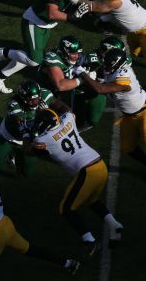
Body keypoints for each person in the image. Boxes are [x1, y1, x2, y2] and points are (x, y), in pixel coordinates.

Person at [28, 108, 123, 255]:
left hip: (87, 172)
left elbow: (30, 151)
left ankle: (89, 241)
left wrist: (28, 139)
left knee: (66, 208)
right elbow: (69, 111)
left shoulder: (42, 140)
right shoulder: (68, 119)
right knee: (92, 200)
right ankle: (114, 226)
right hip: (100, 165)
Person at [80, 48, 146, 166]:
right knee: (127, 147)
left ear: (117, 64)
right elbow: (102, 73)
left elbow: (101, 89)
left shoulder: (125, 75)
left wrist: (83, 74)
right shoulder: (111, 69)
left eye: (109, 64)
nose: (106, 66)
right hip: (129, 116)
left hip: (143, 114)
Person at [0, 79, 67, 177]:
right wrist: (42, 113)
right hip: (10, 136)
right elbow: (22, 126)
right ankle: (11, 153)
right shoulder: (14, 103)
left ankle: (14, 155)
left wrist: (67, 118)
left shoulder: (45, 94)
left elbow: (62, 108)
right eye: (28, 100)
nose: (31, 102)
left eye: (34, 99)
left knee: (26, 174)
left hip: (30, 138)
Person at [81, 0, 146, 58]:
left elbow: (94, 7)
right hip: (134, 29)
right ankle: (104, 20)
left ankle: (103, 20)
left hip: (144, 27)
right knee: (136, 53)